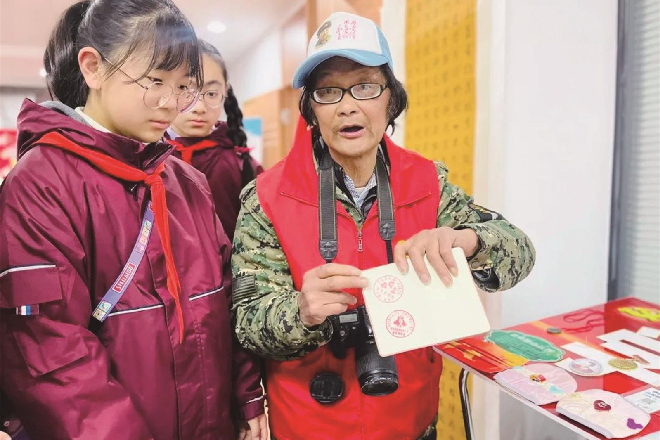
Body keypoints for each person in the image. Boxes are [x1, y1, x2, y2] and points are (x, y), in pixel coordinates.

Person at [231, 12, 536, 440]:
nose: (348, 105)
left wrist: (467, 240)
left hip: (410, 422)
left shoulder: (429, 182)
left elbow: (520, 252)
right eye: (328, 91)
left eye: (366, 86)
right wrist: (300, 312)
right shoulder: (265, 196)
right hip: (307, 425)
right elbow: (246, 322)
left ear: (390, 99)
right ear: (311, 109)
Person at [0, 1, 266, 439]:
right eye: (154, 81)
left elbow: (224, 295)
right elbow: (49, 353)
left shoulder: (186, 180)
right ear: (93, 68)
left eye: (184, 86)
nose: (170, 103)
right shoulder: (41, 185)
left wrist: (246, 393)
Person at [167, 41, 263, 241]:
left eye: (211, 94)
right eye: (186, 90)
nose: (199, 107)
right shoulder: (147, 157)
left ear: (225, 93)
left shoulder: (241, 163)